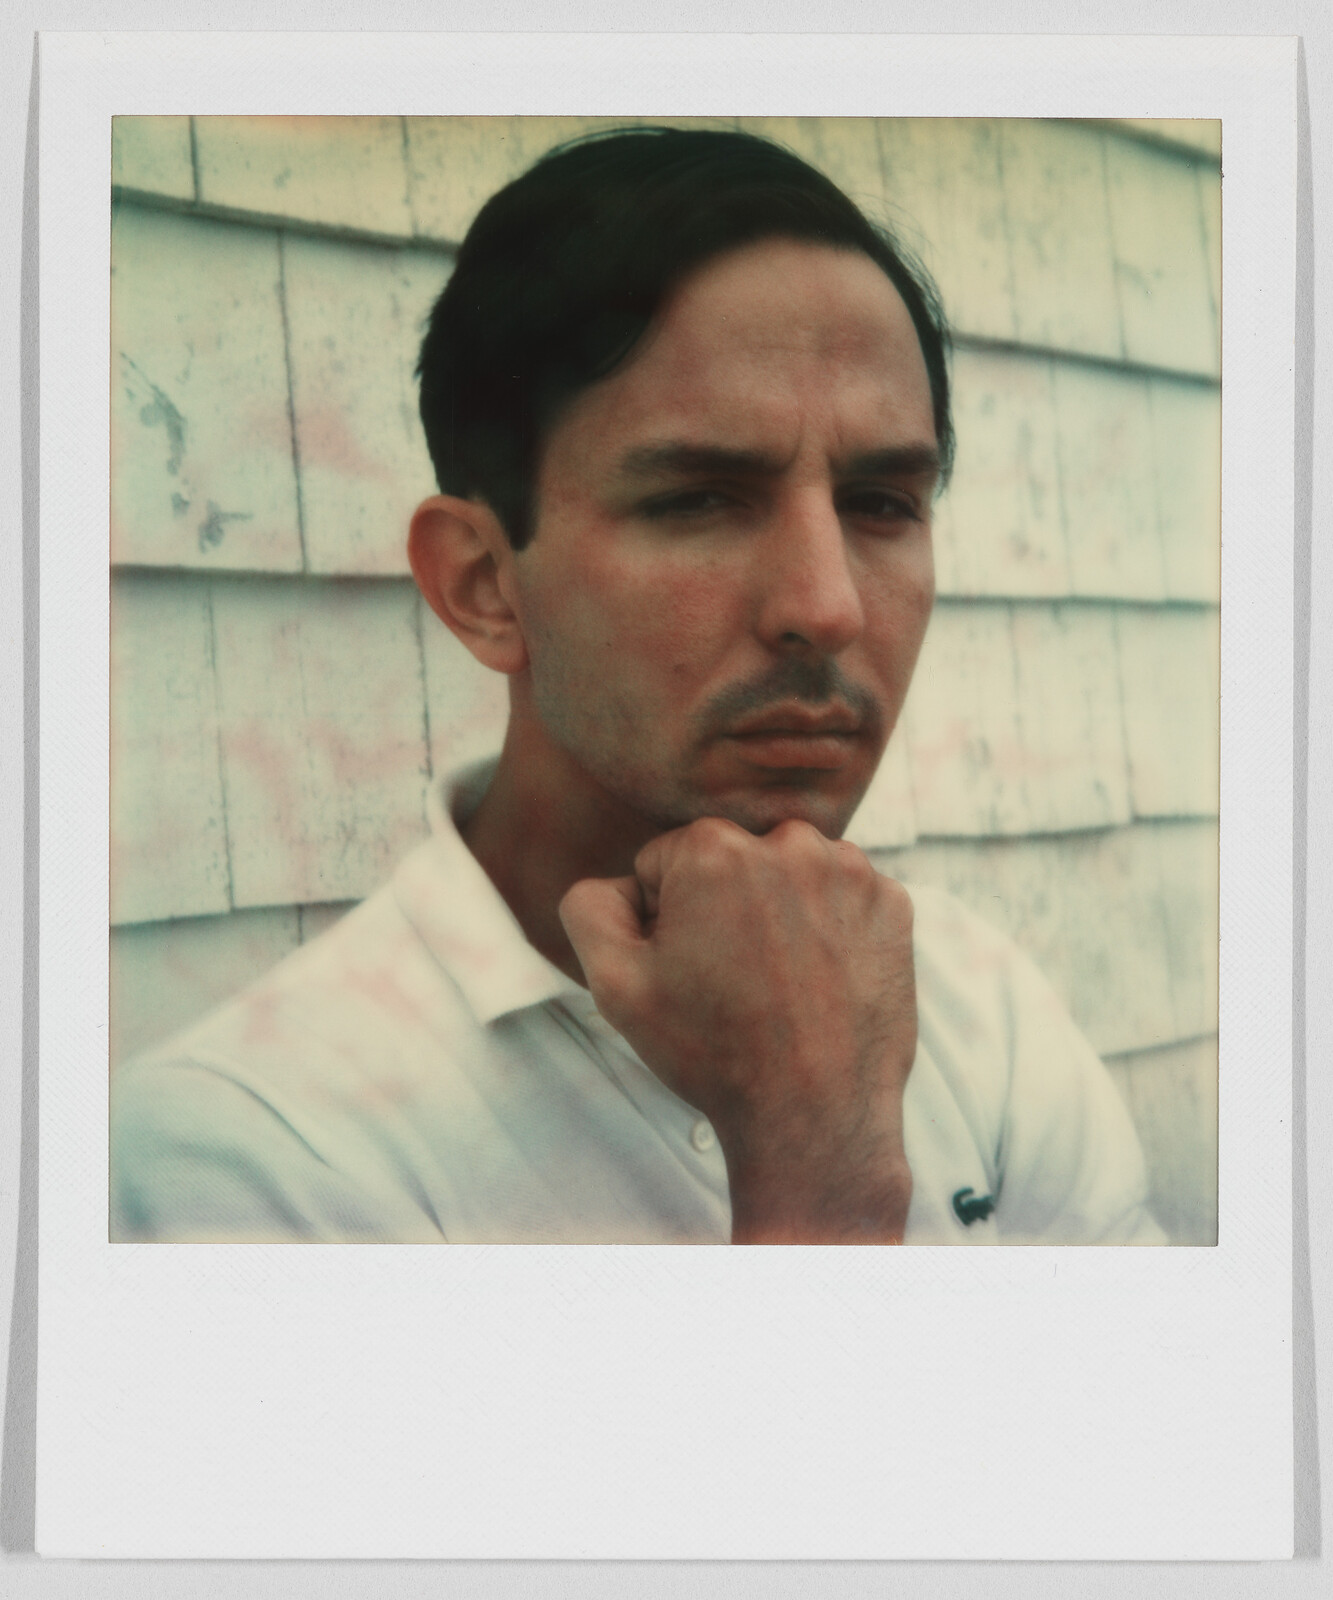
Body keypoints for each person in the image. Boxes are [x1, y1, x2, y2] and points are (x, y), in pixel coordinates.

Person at [111, 127, 1163, 1245]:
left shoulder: (975, 1002)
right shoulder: (250, 1147)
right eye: (698, 500)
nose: (828, 605)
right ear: (482, 586)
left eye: (881, 502)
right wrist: (820, 1173)